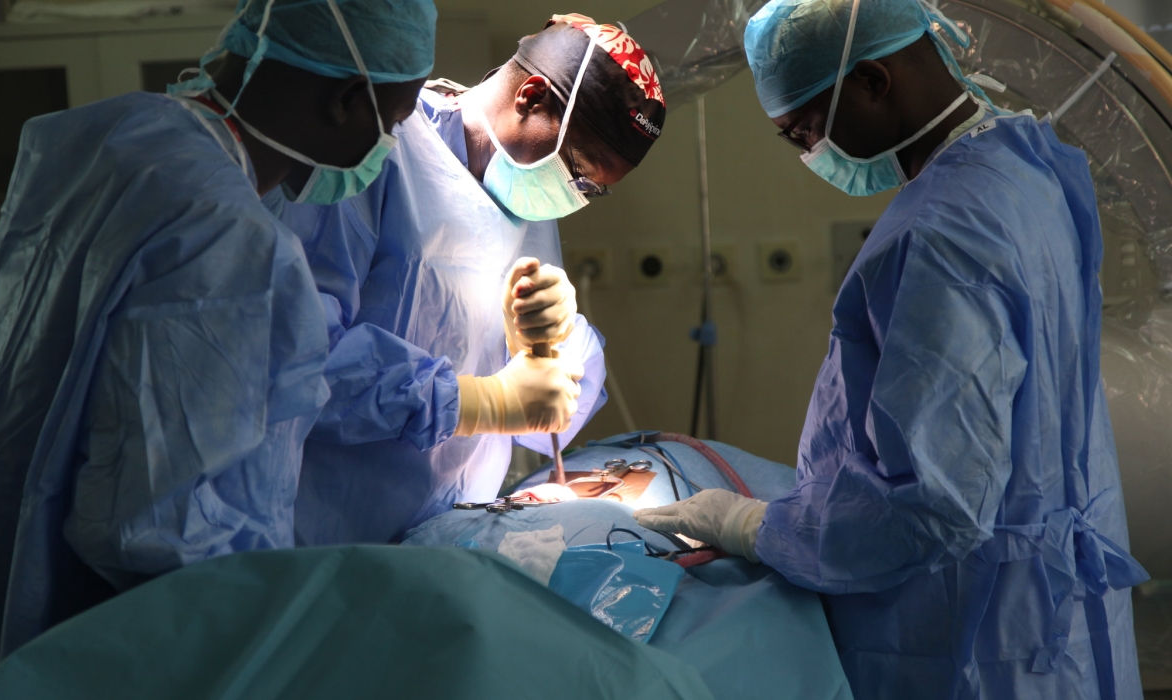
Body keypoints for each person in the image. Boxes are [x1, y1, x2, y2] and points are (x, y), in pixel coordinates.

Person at [634, 1, 1149, 698]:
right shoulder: (1026, 166)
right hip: (1054, 620)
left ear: (874, 80)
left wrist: (754, 527)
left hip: (975, 639)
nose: (809, 151)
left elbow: (936, 505)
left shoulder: (939, 236)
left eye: (804, 130)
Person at [0, 0, 435, 680]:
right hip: (119, 653)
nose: (387, 150)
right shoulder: (228, 242)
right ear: (344, 102)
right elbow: (167, 538)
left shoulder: (114, 138)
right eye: (393, 124)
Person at [264, 14, 666, 545]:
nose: (577, 194)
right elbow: (293, 359)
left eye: (594, 189)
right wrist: (482, 401)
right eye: (581, 172)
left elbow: (542, 420)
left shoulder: (527, 189)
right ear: (532, 96)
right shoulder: (376, 154)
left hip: (453, 533)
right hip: (328, 535)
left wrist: (558, 348)